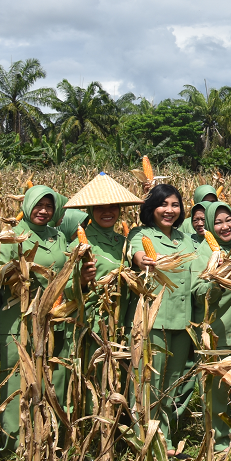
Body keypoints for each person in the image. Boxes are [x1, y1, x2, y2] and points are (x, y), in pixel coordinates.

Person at [63, 173, 144, 418]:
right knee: (89, 374)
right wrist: (82, 281)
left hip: (119, 322)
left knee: (115, 375)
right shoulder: (79, 245)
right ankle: (86, 427)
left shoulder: (124, 242)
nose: (107, 212)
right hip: (91, 322)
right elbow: (65, 288)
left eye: (113, 207)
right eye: (100, 207)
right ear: (90, 209)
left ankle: (109, 426)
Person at [0, 185, 69, 448]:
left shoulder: (58, 237)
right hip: (19, 322)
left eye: (49, 206)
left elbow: (68, 270)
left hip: (53, 320)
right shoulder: (12, 236)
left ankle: (50, 442)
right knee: (16, 385)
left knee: (54, 381)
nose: (44, 211)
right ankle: (13, 445)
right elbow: (1, 274)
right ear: (27, 206)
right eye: (38, 205)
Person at [128, 183, 198, 449]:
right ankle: (143, 438)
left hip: (182, 321)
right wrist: (141, 258)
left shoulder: (186, 238)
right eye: (163, 204)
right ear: (151, 208)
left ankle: (165, 438)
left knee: (171, 384)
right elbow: (135, 252)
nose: (169, 210)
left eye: (175, 205)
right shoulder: (141, 233)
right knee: (148, 381)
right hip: (152, 320)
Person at [188, 201, 231, 451]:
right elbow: (197, 291)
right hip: (217, 330)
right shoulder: (204, 252)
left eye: (228, 220)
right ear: (209, 225)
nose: (225, 226)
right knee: (218, 390)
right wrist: (216, 279)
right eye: (218, 222)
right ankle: (220, 444)